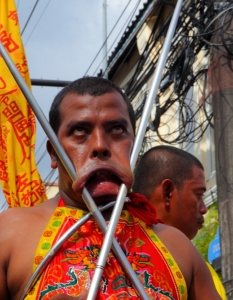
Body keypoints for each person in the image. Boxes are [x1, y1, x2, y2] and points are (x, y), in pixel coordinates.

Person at [0, 77, 221, 300]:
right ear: (53, 153)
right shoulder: (10, 234)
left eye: (116, 129)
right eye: (79, 131)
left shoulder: (177, 246)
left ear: (134, 146)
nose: (100, 146)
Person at [133, 145, 227, 299]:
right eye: (198, 195)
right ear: (167, 193)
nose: (204, 209)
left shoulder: (195, 264)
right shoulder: (111, 244)